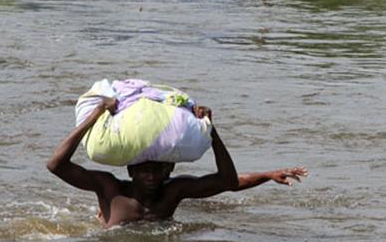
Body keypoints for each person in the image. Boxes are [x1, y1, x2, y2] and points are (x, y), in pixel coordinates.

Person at [46, 98, 307, 228]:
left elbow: (227, 181)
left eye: (157, 170)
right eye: (144, 170)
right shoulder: (110, 188)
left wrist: (210, 129)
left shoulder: (173, 190)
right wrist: (96, 114)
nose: (150, 176)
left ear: (169, 168)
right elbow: (55, 165)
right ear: (130, 169)